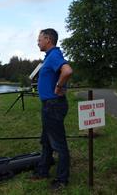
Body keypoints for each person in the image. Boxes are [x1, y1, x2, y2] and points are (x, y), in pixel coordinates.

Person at [32, 28, 73, 190]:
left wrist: (58, 86)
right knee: (46, 141)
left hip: (53, 105)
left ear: (48, 39)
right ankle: (43, 170)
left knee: (58, 144)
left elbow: (67, 71)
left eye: (39, 39)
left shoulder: (55, 55)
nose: (38, 42)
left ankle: (62, 180)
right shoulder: (49, 57)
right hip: (49, 105)